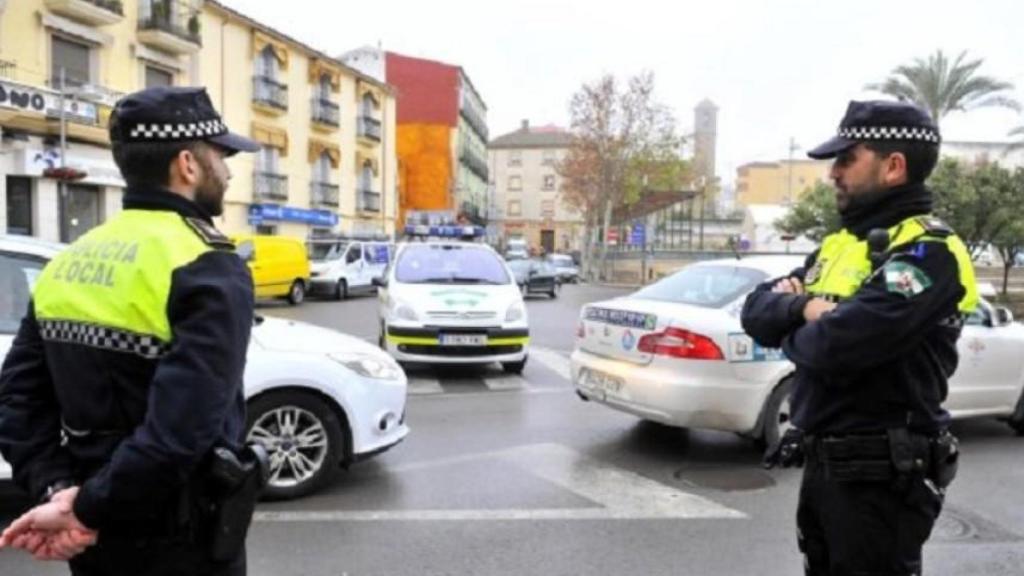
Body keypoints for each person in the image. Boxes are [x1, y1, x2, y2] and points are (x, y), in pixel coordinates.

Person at [0, 86, 261, 575]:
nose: (226, 171)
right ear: (187, 164)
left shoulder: (70, 259)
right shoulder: (207, 264)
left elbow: (17, 400)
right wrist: (87, 507)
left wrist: (58, 490)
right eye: (221, 156)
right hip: (181, 537)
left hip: (95, 541)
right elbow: (180, 432)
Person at [741, 100, 977, 575]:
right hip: (826, 466)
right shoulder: (839, 245)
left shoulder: (927, 253)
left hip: (882, 478)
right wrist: (805, 308)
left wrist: (801, 329)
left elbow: (835, 348)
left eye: (848, 159)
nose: (833, 173)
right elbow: (753, 312)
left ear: (893, 166)